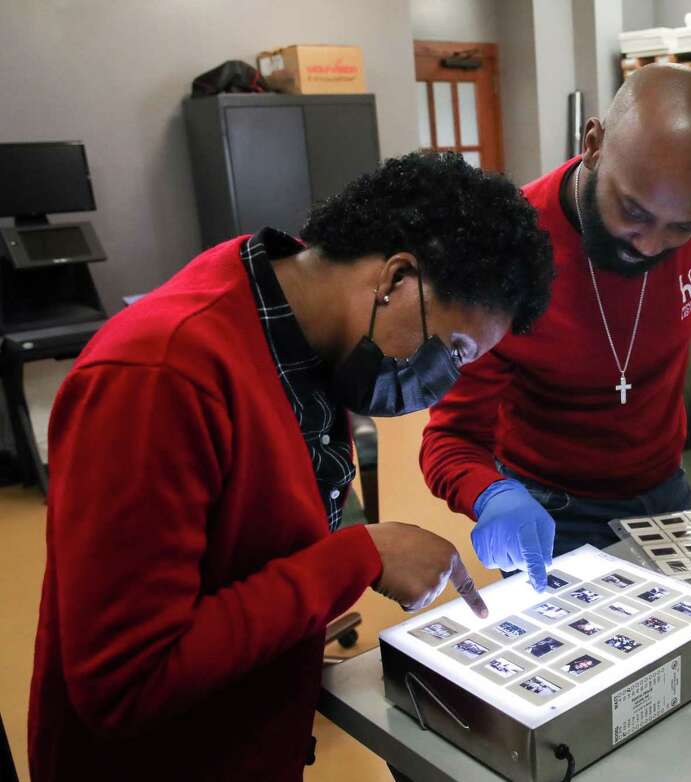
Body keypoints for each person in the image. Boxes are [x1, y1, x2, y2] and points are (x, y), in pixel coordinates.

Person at [28, 151, 554, 781]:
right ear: (396, 280)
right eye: (457, 350)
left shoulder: (296, 330)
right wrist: (362, 556)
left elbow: (250, 556)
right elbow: (127, 681)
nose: (446, 382)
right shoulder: (159, 378)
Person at [421, 64, 691, 588]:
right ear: (593, 141)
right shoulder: (506, 257)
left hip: (665, 487)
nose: (651, 245)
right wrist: (492, 495)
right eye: (633, 210)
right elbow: (450, 438)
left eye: (681, 226)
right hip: (550, 509)